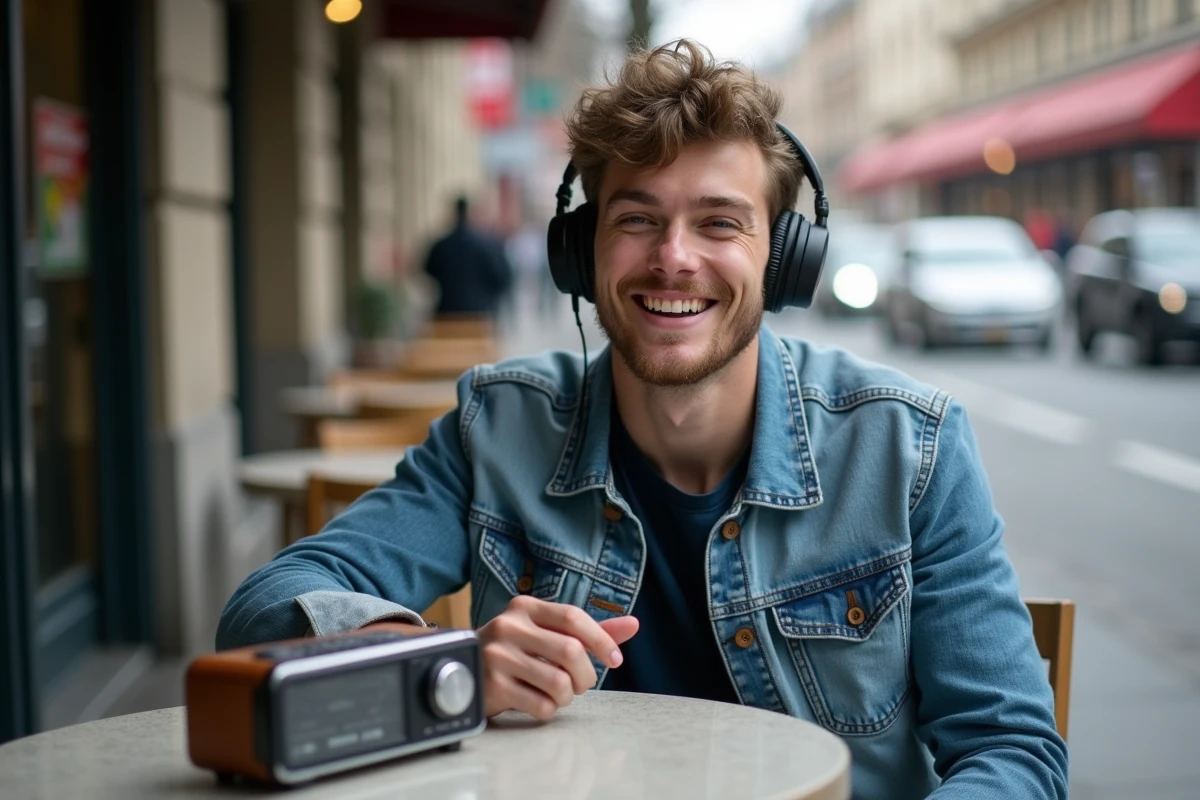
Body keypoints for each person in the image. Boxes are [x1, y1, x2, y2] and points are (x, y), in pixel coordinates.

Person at [218, 40, 1067, 798]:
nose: (673, 258)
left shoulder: (908, 447)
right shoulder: (495, 428)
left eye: (719, 222)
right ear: (580, 251)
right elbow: (263, 610)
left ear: (783, 260)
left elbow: (1013, 755)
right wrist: (444, 665)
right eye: (636, 219)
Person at [423, 194, 513, 317]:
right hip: (479, 311)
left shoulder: (441, 245)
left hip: (448, 310)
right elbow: (502, 277)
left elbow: (428, 270)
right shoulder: (485, 245)